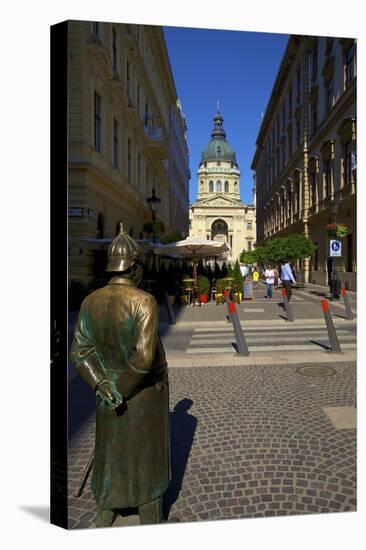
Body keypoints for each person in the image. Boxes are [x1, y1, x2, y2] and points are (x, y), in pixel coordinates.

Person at [70, 222, 170, 527]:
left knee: (110, 451)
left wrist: (103, 384)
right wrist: (120, 389)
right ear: (135, 267)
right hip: (142, 392)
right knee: (146, 454)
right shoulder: (143, 300)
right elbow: (142, 358)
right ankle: (149, 512)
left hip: (106, 391)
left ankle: (107, 509)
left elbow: (79, 352)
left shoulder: (90, 300)